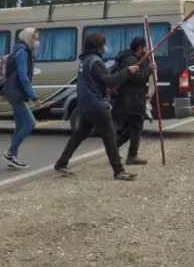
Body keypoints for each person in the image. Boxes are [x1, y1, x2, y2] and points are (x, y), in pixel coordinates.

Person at [54, 32, 139, 181]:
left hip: (86, 104)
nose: (105, 46)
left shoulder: (85, 60)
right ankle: (118, 171)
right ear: (99, 46)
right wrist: (127, 71)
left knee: (79, 135)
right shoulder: (96, 62)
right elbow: (109, 81)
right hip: (96, 105)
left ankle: (62, 163)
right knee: (110, 136)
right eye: (104, 43)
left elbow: (92, 84)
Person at [0, 27, 40, 170]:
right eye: (35, 38)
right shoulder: (22, 52)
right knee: (30, 123)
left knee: (19, 125)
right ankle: (10, 153)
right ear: (28, 38)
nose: (37, 42)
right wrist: (33, 96)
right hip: (16, 93)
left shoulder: (23, 50)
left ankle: (13, 157)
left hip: (14, 92)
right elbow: (23, 76)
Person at [113, 36, 154, 166]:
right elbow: (137, 78)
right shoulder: (131, 60)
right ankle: (131, 155)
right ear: (139, 48)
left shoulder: (133, 58)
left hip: (133, 99)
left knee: (134, 127)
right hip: (131, 100)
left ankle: (114, 147)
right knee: (136, 126)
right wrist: (149, 70)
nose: (145, 50)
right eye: (144, 48)